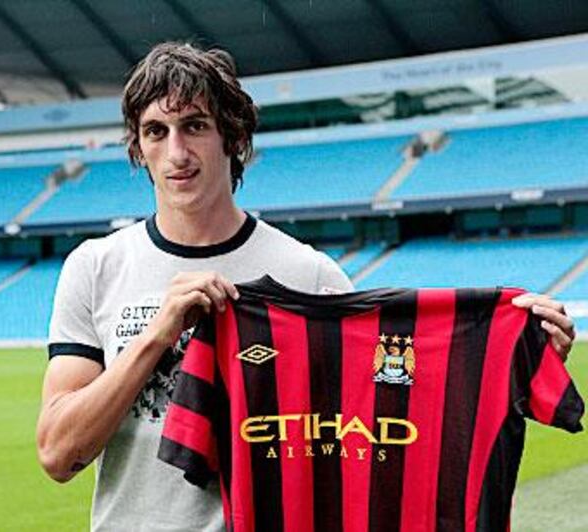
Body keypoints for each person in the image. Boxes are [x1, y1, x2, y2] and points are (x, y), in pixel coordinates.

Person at [36, 42, 576, 531]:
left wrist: (510, 346)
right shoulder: (96, 267)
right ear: (139, 146)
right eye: (157, 131)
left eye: (195, 125)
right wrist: (156, 337)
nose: (176, 152)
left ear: (233, 136)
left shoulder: (308, 274)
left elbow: (392, 406)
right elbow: (59, 454)